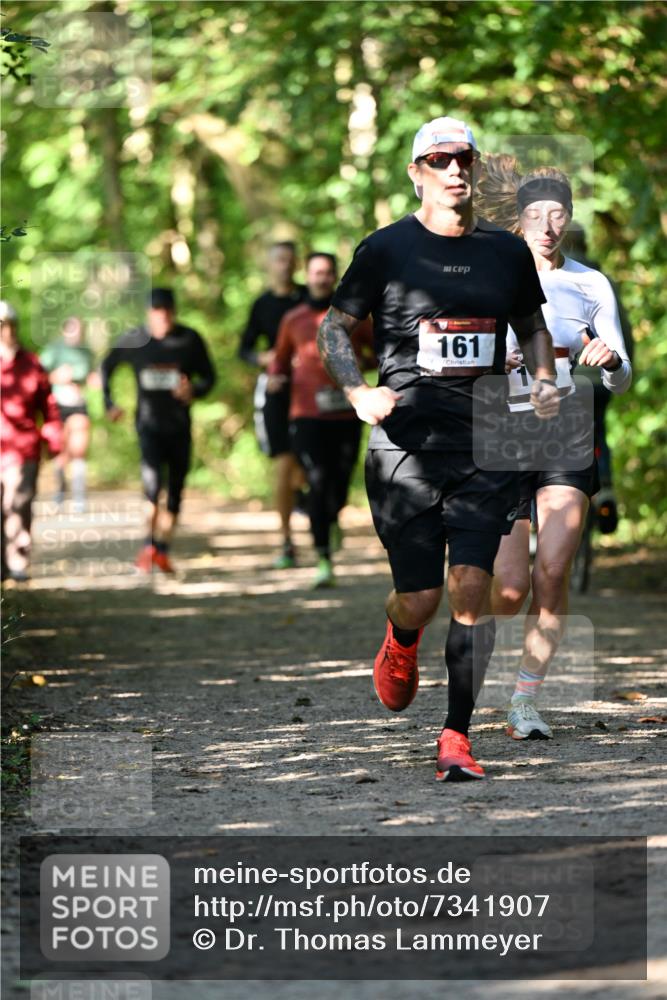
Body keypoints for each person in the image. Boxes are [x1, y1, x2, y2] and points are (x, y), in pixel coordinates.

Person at [317, 117, 560, 782]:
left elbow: (532, 328)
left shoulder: (505, 254)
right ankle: (399, 639)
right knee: (419, 597)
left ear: (475, 168)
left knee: (470, 590)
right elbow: (334, 328)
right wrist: (357, 391)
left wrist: (540, 379)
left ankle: (455, 734)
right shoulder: (387, 249)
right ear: (415, 172)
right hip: (405, 450)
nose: (454, 170)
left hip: (485, 444)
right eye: (438, 159)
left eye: (463, 159)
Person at [476, 158, 632, 740]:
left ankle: (524, 700)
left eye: (557, 214)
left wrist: (610, 360)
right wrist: (498, 360)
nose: (546, 224)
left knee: (554, 568)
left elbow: (621, 372)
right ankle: (473, 648)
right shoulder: (490, 276)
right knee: (510, 586)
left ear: (567, 219)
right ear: (518, 221)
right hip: (503, 430)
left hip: (567, 427)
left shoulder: (590, 284)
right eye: (535, 214)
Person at [268, 253, 375, 588]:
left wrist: (361, 365)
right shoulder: (293, 319)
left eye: (328, 273)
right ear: (308, 276)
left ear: (335, 277)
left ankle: (331, 517)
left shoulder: (353, 317)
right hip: (306, 413)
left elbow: (379, 351)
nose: (322, 278)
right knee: (316, 479)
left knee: (339, 484)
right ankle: (323, 556)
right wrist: (275, 378)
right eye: (317, 272)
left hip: (346, 410)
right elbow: (279, 361)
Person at [100, 288, 216, 574]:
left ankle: (162, 550)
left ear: (174, 311)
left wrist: (195, 389)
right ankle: (148, 546)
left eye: (167, 309)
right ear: (148, 313)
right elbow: (107, 366)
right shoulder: (135, 340)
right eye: (156, 310)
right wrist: (109, 402)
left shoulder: (189, 339)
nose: (162, 315)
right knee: (152, 487)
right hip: (148, 426)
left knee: (175, 490)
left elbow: (210, 376)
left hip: (179, 426)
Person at [239, 241, 308, 569]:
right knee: (284, 463)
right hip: (278, 392)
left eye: (290, 260)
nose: (285, 265)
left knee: (310, 466)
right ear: (270, 265)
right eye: (279, 259)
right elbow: (245, 349)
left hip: (314, 393)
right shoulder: (262, 305)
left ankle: (315, 506)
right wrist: (265, 358)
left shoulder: (311, 298)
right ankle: (286, 540)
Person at [1, 302, 62, 583]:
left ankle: (17, 560)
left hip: (24, 447)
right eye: (2, 326)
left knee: (19, 502)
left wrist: (53, 439)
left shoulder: (32, 363)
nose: (7, 331)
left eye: (11, 325)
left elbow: (48, 406)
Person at [40, 316, 96, 511]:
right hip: (57, 405)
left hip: (78, 404)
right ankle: (61, 490)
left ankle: (79, 496)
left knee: (79, 450)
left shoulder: (87, 352)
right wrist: (56, 377)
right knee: (61, 452)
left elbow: (91, 376)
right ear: (64, 330)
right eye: (72, 329)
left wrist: (94, 381)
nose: (76, 333)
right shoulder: (53, 350)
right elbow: (39, 377)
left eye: (79, 329)